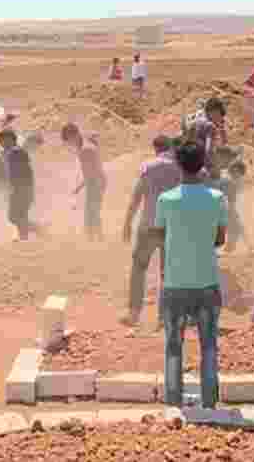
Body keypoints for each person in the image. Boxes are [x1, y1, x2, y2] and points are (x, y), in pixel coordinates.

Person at [152, 142, 228, 409]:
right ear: (202, 165)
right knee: (209, 345)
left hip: (174, 283)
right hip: (207, 281)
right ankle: (209, 402)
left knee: (173, 344)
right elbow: (219, 240)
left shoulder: (165, 200)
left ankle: (173, 401)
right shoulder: (217, 198)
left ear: (178, 165)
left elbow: (160, 237)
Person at [121, 135, 182, 328]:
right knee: (168, 274)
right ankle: (163, 318)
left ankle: (133, 313)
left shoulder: (148, 166)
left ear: (155, 149)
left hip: (148, 226)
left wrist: (127, 223)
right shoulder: (180, 168)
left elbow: (137, 196)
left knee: (139, 268)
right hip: (170, 228)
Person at [62, 124, 107, 241]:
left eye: (68, 139)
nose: (69, 144)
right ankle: (95, 238)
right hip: (97, 180)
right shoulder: (83, 145)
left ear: (74, 135)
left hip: (96, 182)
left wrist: (78, 188)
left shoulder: (85, 150)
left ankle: (96, 239)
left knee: (92, 211)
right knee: (92, 211)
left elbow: (91, 174)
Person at [183, 97, 228, 170]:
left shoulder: (200, 114)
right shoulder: (209, 125)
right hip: (196, 160)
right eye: (219, 114)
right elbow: (208, 150)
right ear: (213, 112)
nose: (220, 118)